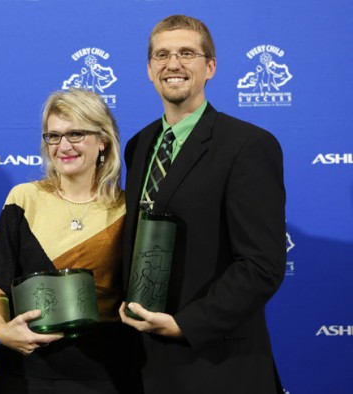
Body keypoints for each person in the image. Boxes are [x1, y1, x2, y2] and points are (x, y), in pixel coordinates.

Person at [119, 15, 286, 393]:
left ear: (210, 66)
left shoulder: (247, 145)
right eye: (162, 55)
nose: (173, 64)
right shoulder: (139, 145)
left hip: (217, 363)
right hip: (146, 363)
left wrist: (186, 323)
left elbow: (262, 265)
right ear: (149, 69)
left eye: (186, 53)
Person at [0, 89, 143, 393]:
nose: (63, 146)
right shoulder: (23, 198)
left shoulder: (128, 208)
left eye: (76, 134)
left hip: (107, 373)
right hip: (26, 374)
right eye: (53, 136)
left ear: (103, 140)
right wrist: (2, 329)